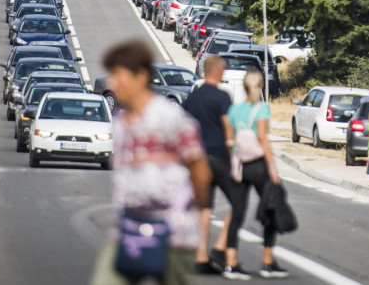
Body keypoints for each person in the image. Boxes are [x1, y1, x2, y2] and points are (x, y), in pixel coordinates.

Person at [89, 41, 211, 285]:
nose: (112, 83)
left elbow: (200, 170)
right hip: (129, 230)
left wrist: (190, 215)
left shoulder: (170, 118)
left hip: (174, 235)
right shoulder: (121, 123)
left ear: (141, 76)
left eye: (118, 75)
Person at [225, 69, 288, 279]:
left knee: (237, 211)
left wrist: (234, 160)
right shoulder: (262, 108)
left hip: (240, 165)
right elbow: (262, 137)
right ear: (260, 87)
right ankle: (267, 260)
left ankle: (231, 263)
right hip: (259, 165)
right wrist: (272, 168)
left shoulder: (234, 110)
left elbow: (230, 140)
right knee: (270, 208)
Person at [181, 56, 234, 275]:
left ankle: (201, 258)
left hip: (197, 161)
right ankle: (220, 248)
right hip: (219, 158)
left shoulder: (192, 98)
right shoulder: (223, 97)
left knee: (204, 207)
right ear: (220, 73)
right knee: (238, 202)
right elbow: (228, 128)